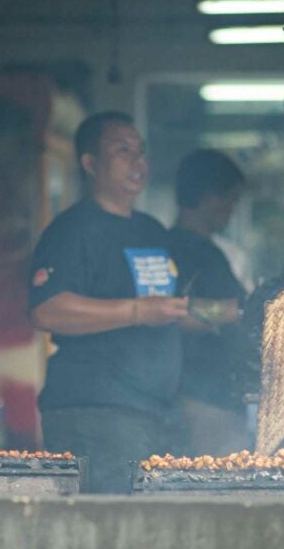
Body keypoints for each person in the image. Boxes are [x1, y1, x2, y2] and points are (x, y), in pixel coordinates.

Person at [28, 111, 191, 493]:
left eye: (141, 151)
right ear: (90, 164)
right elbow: (46, 308)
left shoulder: (151, 229)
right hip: (95, 410)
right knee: (110, 529)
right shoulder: (71, 230)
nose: (139, 161)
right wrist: (136, 311)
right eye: (123, 150)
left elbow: (170, 306)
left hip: (157, 408)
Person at [168, 149, 249, 455]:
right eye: (230, 198)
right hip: (200, 399)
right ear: (208, 197)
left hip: (213, 395)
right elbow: (175, 311)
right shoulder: (185, 250)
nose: (231, 208)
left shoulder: (207, 251)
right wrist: (240, 311)